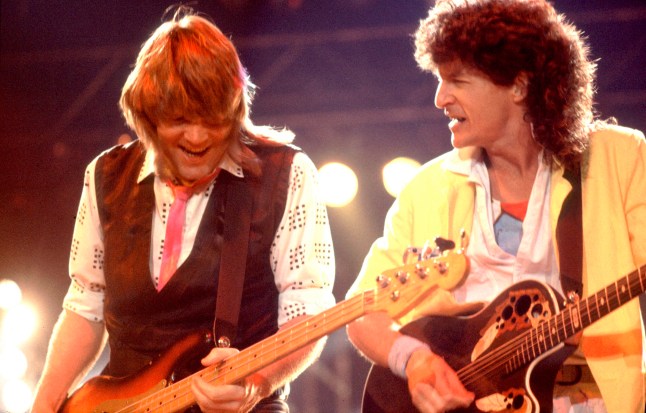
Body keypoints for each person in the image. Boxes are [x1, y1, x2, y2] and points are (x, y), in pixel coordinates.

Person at [346, 0, 645, 412]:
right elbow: (362, 313)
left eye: (456, 80)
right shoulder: (427, 188)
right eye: (439, 79)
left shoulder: (620, 158)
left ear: (519, 86)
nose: (439, 98)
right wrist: (414, 360)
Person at [32, 7, 335, 413]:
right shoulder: (105, 175)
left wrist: (256, 385)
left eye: (213, 121)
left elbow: (308, 314)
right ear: (148, 115)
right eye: (179, 120)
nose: (196, 137)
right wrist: (45, 404)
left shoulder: (286, 174)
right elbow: (86, 306)